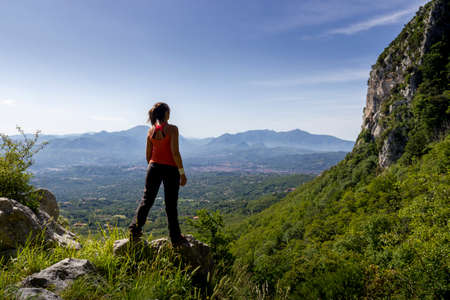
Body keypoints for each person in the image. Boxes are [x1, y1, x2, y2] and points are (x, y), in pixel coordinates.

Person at [128, 102, 188, 246]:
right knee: (171, 205)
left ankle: (134, 230)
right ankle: (175, 237)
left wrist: (154, 165)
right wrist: (182, 173)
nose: (170, 113)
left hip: (153, 167)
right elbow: (175, 152)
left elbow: (148, 155)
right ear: (165, 113)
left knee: (147, 200)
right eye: (169, 111)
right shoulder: (173, 129)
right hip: (170, 169)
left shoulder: (151, 131)